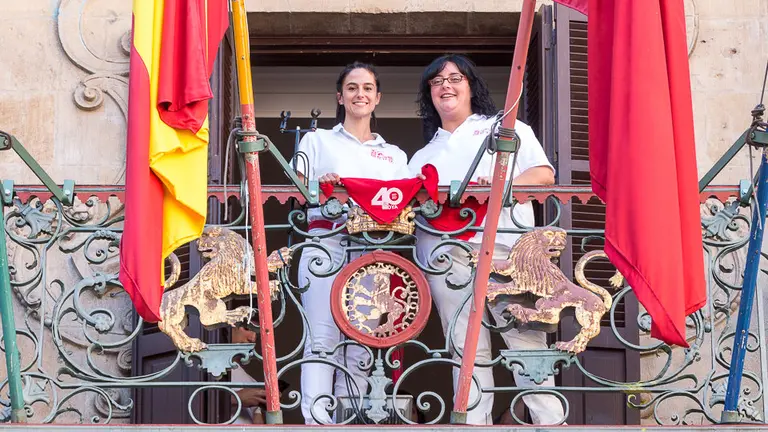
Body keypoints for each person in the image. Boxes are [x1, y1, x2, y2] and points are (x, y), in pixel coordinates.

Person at [407, 54, 565, 425]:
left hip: (507, 251)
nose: (446, 86)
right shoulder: (422, 155)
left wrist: (499, 187)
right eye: (437, 81)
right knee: (465, 349)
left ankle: (552, 423)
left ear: (470, 86)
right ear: (429, 94)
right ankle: (475, 424)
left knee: (526, 345)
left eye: (455, 78)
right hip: (446, 258)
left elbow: (543, 174)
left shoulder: (504, 127)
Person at [295, 61, 413, 424]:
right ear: (340, 96)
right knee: (321, 343)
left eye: (366, 88)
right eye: (351, 88)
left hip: (375, 254)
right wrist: (322, 186)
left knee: (362, 346)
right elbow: (299, 194)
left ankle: (354, 424)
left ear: (377, 98)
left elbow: (404, 205)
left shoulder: (394, 155)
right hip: (325, 246)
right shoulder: (316, 140)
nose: (359, 94)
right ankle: (316, 424)